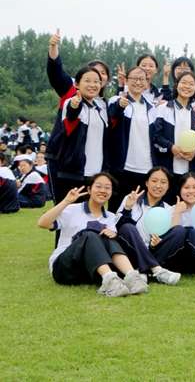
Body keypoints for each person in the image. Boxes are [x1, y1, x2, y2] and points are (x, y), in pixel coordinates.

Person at [37, 174, 149, 297]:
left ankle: (132, 277)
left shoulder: (110, 218)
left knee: (108, 236)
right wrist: (66, 201)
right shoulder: (72, 209)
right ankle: (110, 280)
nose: (103, 190)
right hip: (64, 268)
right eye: (98, 186)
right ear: (89, 190)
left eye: (107, 188)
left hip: (89, 270)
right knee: (90, 235)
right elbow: (42, 223)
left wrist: (114, 233)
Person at [112, 167, 182, 285]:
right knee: (128, 227)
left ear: (168, 186)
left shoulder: (168, 209)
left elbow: (165, 237)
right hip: (130, 250)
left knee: (179, 230)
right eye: (154, 181)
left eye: (163, 182)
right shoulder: (131, 199)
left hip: (153, 252)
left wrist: (157, 242)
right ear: (147, 183)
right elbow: (117, 228)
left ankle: (143, 270)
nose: (158, 185)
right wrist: (127, 208)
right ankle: (156, 270)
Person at [52, 67, 109, 203]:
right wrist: (74, 105)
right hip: (73, 173)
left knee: (90, 212)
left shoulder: (101, 108)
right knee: (68, 212)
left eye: (96, 81)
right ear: (77, 84)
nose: (92, 85)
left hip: (95, 173)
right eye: (87, 81)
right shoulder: (72, 102)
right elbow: (71, 115)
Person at [105, 66, 158, 208]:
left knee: (141, 210)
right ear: (126, 80)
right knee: (117, 209)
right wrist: (120, 106)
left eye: (142, 79)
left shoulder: (151, 108)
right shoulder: (117, 100)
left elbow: (155, 137)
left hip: (146, 168)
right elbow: (112, 116)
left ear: (147, 82)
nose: (138, 82)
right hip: (123, 168)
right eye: (134, 78)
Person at [152, 71, 195, 199]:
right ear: (176, 85)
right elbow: (156, 136)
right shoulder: (163, 108)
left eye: (191, 84)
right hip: (166, 170)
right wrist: (171, 147)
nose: (187, 86)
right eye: (183, 82)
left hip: (188, 173)